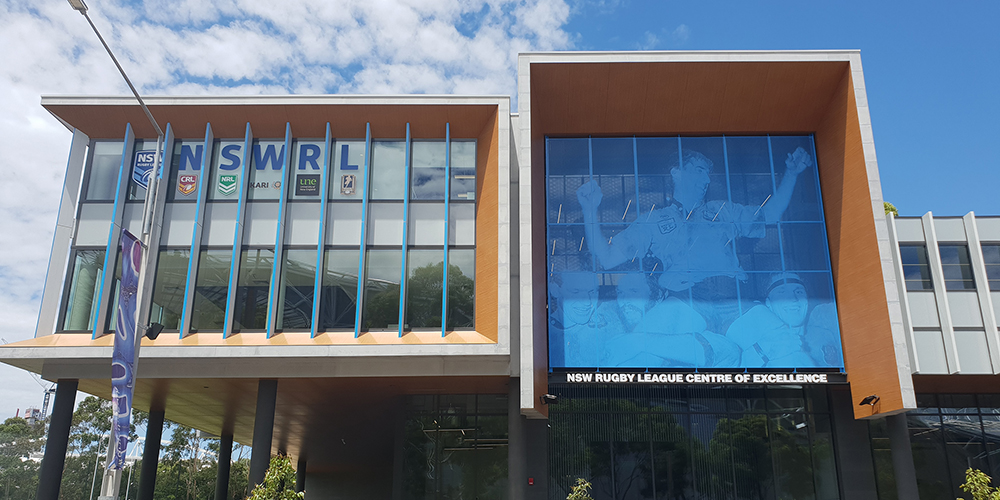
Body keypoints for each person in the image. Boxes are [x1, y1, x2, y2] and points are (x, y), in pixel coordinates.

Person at [575, 147, 813, 333]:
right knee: (642, 346)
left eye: (708, 174)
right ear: (676, 173)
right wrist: (589, 210)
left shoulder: (722, 210)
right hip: (685, 301)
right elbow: (606, 258)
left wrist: (791, 174)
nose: (707, 179)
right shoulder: (654, 220)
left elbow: (769, 215)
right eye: (699, 170)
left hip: (733, 299)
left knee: (783, 346)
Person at [726, 273, 842, 367]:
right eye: (782, 293)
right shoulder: (752, 343)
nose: (793, 299)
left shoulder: (827, 333)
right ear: (768, 303)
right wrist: (764, 350)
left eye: (799, 292)